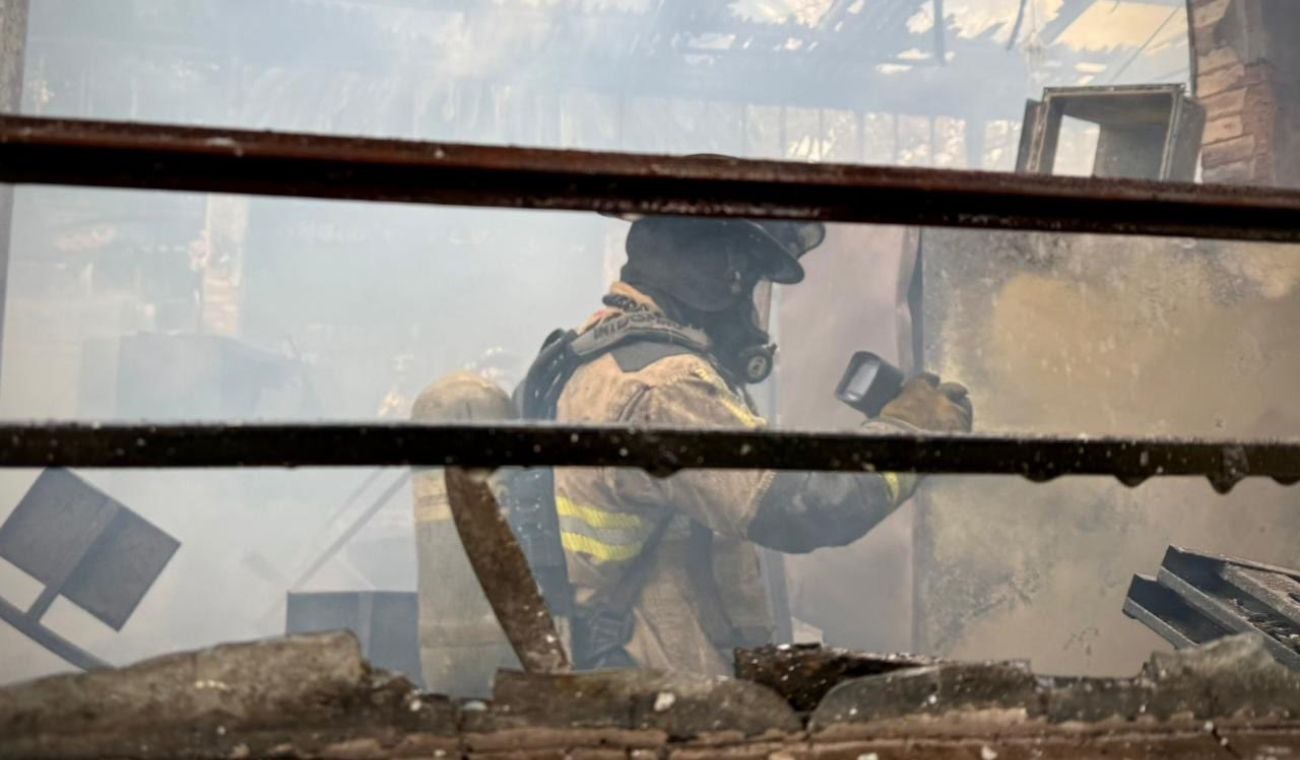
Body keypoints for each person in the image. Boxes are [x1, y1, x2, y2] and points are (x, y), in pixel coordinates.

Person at [517, 214, 973, 676]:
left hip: (612, 674)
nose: (753, 314)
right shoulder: (665, 387)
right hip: (661, 688)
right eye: (753, 284)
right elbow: (804, 506)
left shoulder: (589, 357)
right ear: (721, 277)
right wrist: (910, 433)